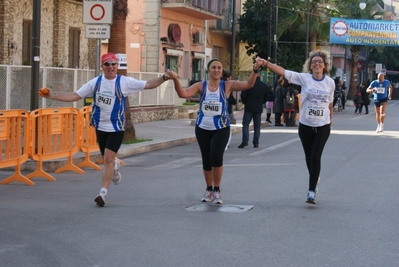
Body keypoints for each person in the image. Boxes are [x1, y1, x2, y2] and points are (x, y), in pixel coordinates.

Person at [39, 52, 177, 207]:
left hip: (116, 127)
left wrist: (164, 77)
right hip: (100, 126)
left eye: (113, 64)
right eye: (107, 64)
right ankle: (115, 166)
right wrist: (52, 96)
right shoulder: (95, 83)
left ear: (117, 66)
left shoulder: (124, 82)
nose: (110, 67)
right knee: (108, 158)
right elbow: (75, 96)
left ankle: (102, 194)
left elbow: (149, 84)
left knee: (108, 158)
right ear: (102, 67)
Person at [170, 58, 264, 204]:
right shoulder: (201, 86)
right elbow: (182, 93)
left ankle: (217, 190)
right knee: (206, 159)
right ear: (209, 70)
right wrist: (175, 79)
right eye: (213, 67)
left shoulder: (227, 85)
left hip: (221, 128)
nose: (216, 70)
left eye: (219, 68)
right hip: (202, 128)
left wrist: (255, 70)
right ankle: (209, 190)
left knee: (216, 156)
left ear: (222, 71)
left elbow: (248, 84)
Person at [257, 50, 335, 204]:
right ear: (310, 66)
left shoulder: (330, 82)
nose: (317, 63)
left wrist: (330, 117)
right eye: (314, 62)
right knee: (308, 156)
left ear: (324, 65)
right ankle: (314, 176)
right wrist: (266, 63)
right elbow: (283, 71)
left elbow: (330, 102)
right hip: (306, 125)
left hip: (323, 125)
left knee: (315, 156)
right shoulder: (305, 79)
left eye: (320, 61)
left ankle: (311, 190)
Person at [238, 72, 269, 148]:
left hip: (249, 107)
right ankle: (256, 142)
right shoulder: (264, 86)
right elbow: (267, 97)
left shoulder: (248, 85)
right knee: (257, 126)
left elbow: (243, 95)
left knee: (245, 124)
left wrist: (245, 102)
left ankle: (245, 141)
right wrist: (261, 102)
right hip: (258, 107)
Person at [222, 69, 236, 150]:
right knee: (227, 127)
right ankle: (225, 144)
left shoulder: (218, 83)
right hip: (226, 109)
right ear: (229, 77)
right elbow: (231, 98)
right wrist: (234, 102)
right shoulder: (227, 85)